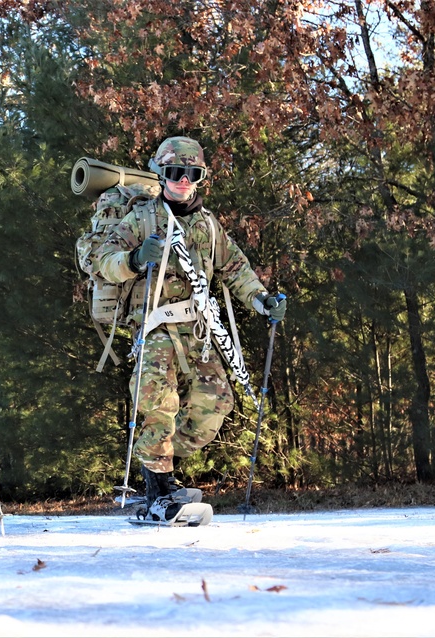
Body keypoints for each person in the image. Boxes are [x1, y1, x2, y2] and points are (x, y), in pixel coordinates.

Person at [90, 137, 287, 522]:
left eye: (192, 173)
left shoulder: (208, 225)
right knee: (157, 408)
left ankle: (160, 466)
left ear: (200, 177)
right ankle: (158, 492)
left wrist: (263, 301)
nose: (183, 180)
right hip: (156, 327)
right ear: (162, 174)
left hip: (197, 328)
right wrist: (133, 258)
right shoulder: (141, 218)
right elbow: (103, 262)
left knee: (216, 404)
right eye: (175, 173)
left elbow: (235, 269)